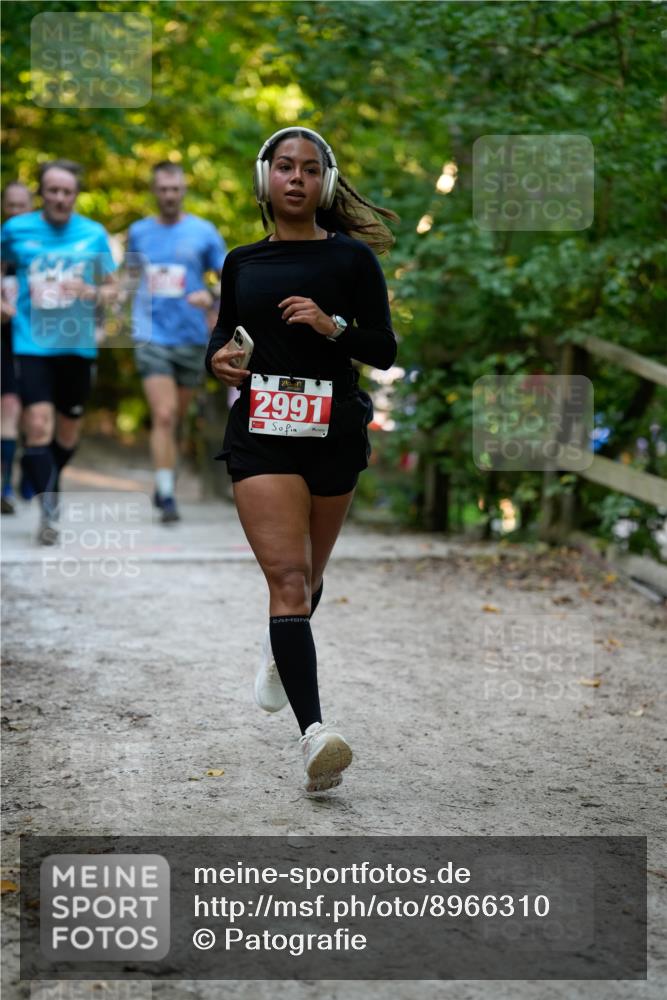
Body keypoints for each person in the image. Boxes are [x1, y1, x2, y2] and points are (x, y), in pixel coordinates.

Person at [206, 126, 398, 793]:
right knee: (288, 580)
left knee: (309, 578)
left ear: (326, 180)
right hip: (261, 430)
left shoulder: (350, 263)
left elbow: (383, 349)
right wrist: (220, 362)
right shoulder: (241, 261)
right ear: (266, 179)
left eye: (309, 169)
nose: (296, 178)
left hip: (332, 432)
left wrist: (330, 325)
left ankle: (279, 651)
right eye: (284, 167)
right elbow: (223, 338)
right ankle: (315, 734)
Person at [0, 160, 116, 544]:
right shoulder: (16, 230)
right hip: (31, 342)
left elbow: (114, 289)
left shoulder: (93, 234)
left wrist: (93, 292)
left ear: (76, 195)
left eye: (67, 192)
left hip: (77, 346)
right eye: (53, 190)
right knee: (37, 426)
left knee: (65, 434)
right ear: (41, 193)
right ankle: (49, 512)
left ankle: (43, 470)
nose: (60, 198)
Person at [127, 162, 227, 523]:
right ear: (155, 191)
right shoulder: (139, 233)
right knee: (164, 415)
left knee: (178, 418)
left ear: (183, 190)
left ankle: (164, 478)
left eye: (175, 189)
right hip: (150, 334)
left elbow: (230, 278)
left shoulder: (204, 232)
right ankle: (167, 496)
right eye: (163, 189)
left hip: (190, 337)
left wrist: (210, 296)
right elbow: (128, 279)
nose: (169, 195)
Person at [1, 182, 33, 513]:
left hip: (41, 342)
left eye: (21, 205)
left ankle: (29, 472)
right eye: (10, 205)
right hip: (5, 340)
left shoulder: (43, 247)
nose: (15, 212)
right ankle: (5, 485)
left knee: (33, 413)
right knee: (9, 407)